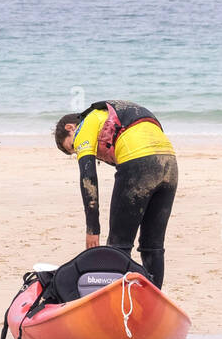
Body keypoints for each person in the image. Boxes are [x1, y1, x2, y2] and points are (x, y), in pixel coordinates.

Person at [53, 99, 178, 286]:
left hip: (138, 162)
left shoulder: (86, 123)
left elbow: (88, 177)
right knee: (153, 246)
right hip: (170, 163)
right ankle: (154, 301)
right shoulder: (115, 113)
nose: (77, 151)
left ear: (71, 128)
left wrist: (92, 229)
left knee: (118, 246)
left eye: (71, 147)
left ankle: (115, 305)